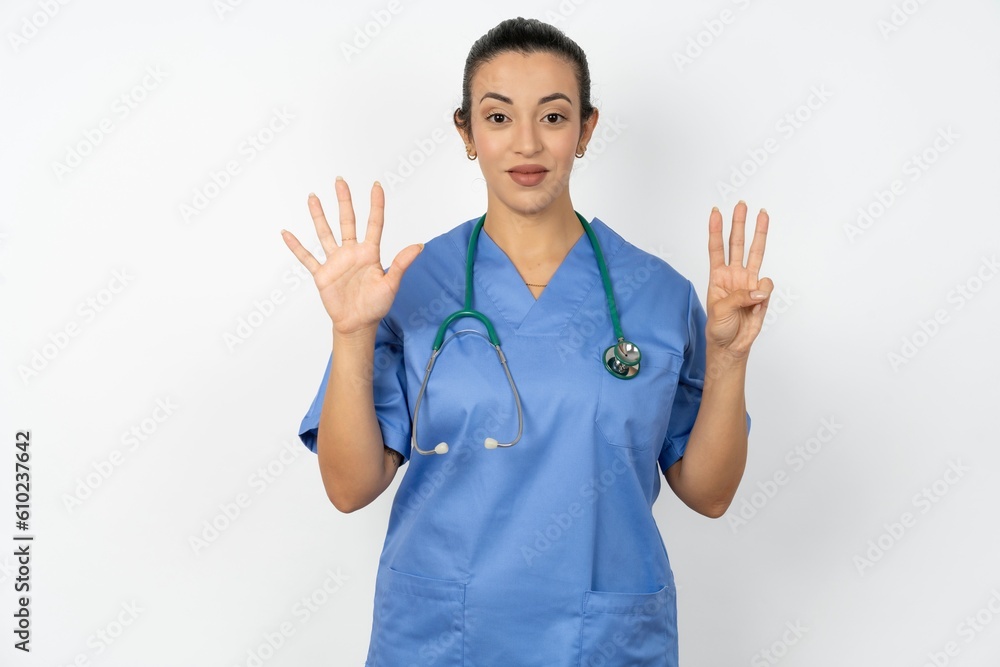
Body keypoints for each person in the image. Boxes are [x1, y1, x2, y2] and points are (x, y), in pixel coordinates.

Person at [280, 16, 773, 667]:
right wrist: (350, 334)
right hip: (440, 640)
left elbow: (708, 493)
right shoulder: (409, 286)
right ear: (467, 132)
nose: (527, 144)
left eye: (553, 116)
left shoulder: (656, 294)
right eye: (499, 116)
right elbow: (349, 486)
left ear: (586, 129)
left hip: (600, 641)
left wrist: (732, 357)